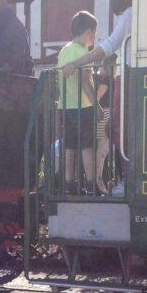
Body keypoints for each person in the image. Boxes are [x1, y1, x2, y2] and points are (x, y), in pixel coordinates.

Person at [57, 11, 101, 193]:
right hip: (83, 106)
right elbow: (85, 81)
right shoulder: (83, 52)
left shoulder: (64, 51)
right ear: (89, 31)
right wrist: (96, 104)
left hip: (66, 106)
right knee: (87, 147)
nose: (94, 37)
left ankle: (69, 185)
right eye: (94, 32)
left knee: (69, 147)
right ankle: (91, 185)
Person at [60, 0, 132, 83]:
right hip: (127, 73)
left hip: (127, 75)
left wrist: (74, 64)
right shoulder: (131, 14)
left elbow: (109, 45)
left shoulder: (129, 14)